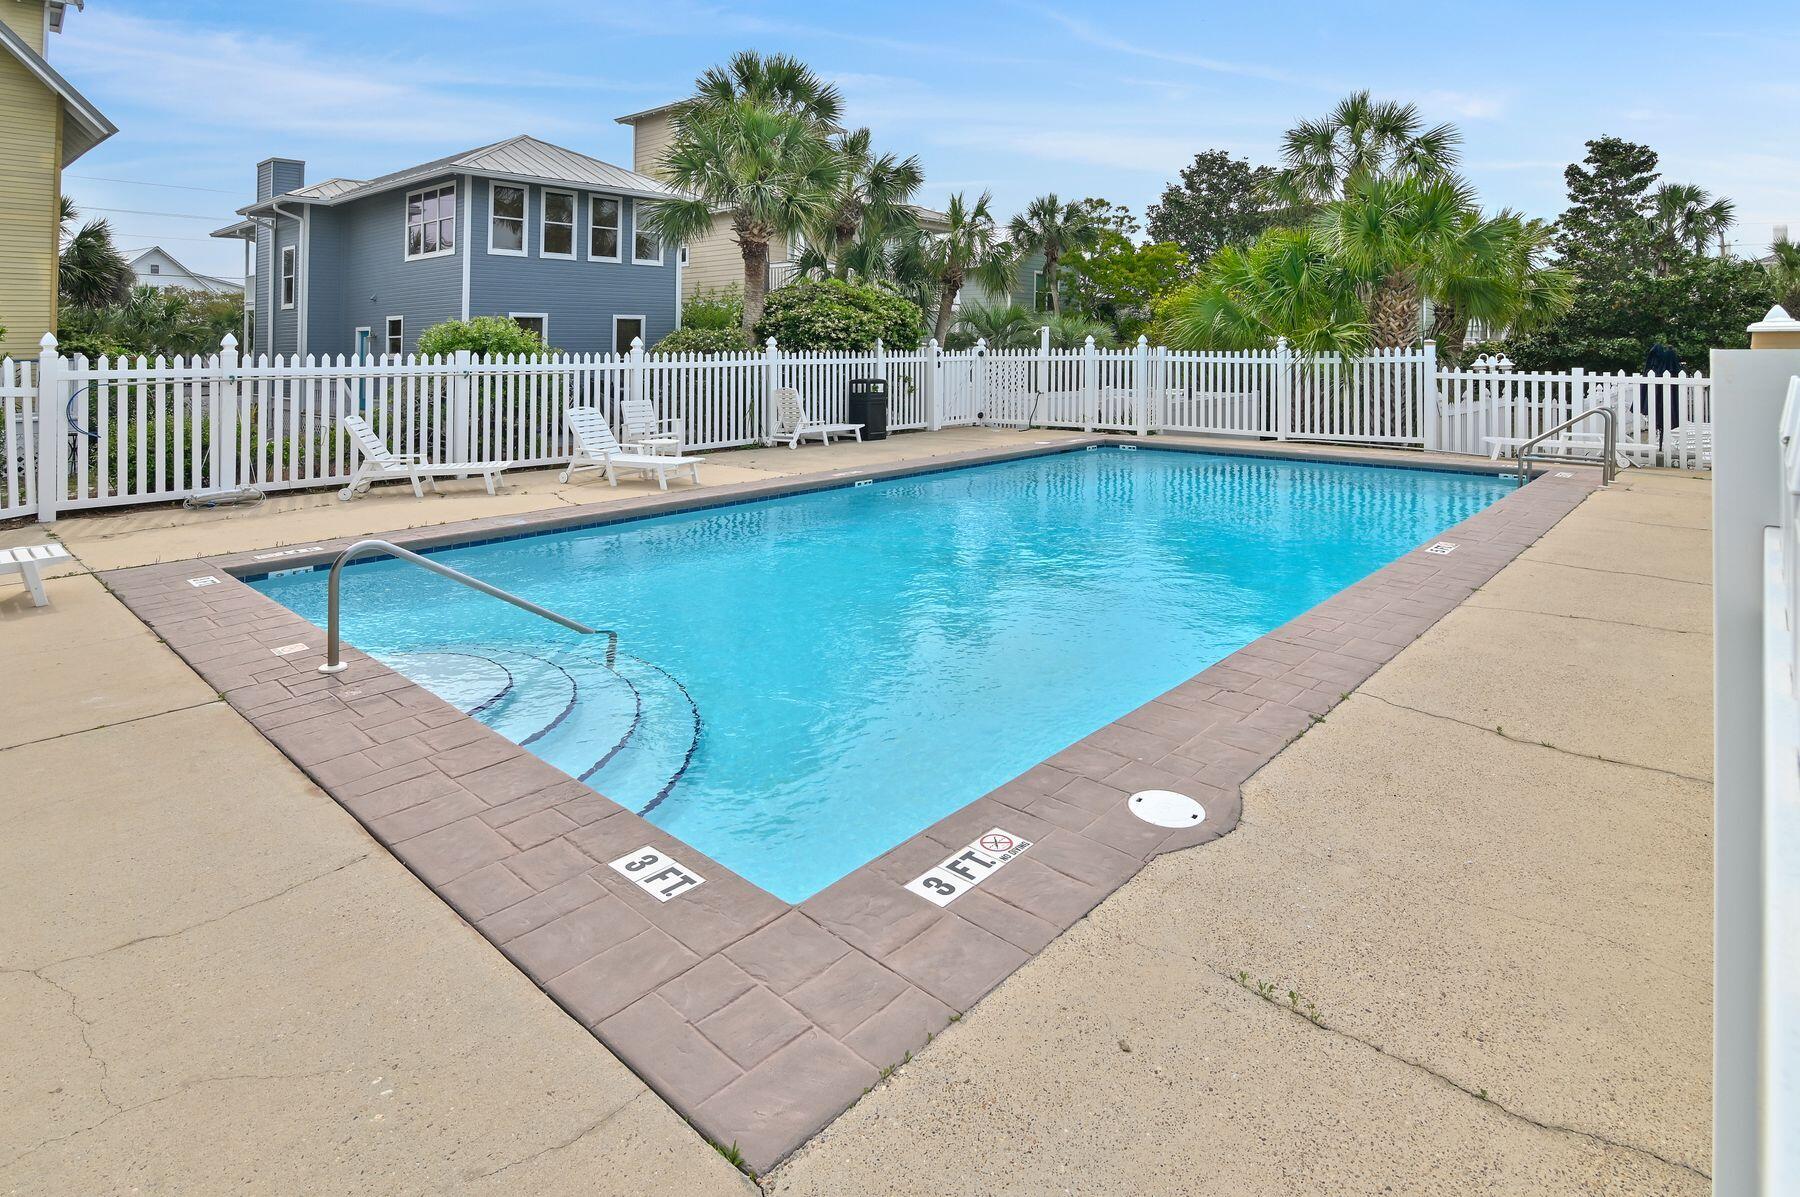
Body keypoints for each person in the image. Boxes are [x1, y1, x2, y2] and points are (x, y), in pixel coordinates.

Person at [1639, 342, 1683, 451]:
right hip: (1660, 393)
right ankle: (1660, 443)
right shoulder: (1665, 363)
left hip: (1660, 392)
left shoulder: (1656, 365)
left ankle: (1661, 442)